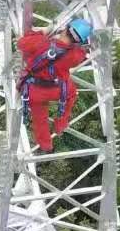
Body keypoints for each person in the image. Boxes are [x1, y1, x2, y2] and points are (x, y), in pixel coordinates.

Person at [16, 13, 93, 153]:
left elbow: (21, 43)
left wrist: (45, 31)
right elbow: (81, 53)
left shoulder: (40, 42)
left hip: (34, 90)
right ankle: (61, 123)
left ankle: (46, 145)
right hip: (57, 90)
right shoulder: (74, 56)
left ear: (65, 29)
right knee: (72, 93)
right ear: (78, 42)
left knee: (40, 119)